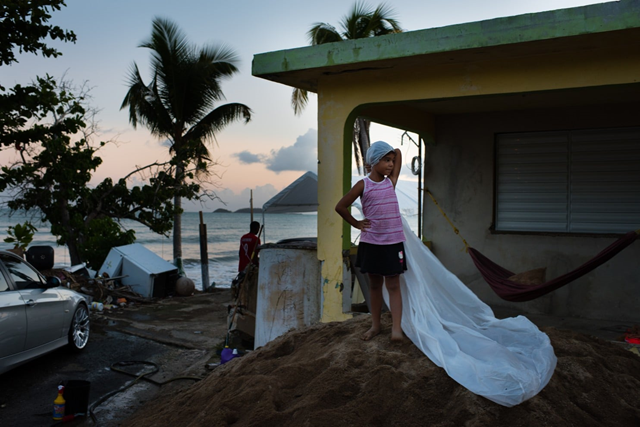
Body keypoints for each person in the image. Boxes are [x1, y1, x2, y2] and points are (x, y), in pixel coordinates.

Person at [335, 141, 406, 342]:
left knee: (393, 285)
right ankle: (375, 326)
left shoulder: (390, 181)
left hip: (393, 243)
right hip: (372, 243)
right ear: (374, 162)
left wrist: (390, 153)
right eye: (386, 160)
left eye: (392, 161)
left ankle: (396, 329)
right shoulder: (362, 185)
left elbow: (399, 152)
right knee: (375, 285)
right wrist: (357, 223)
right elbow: (340, 206)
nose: (391, 164)